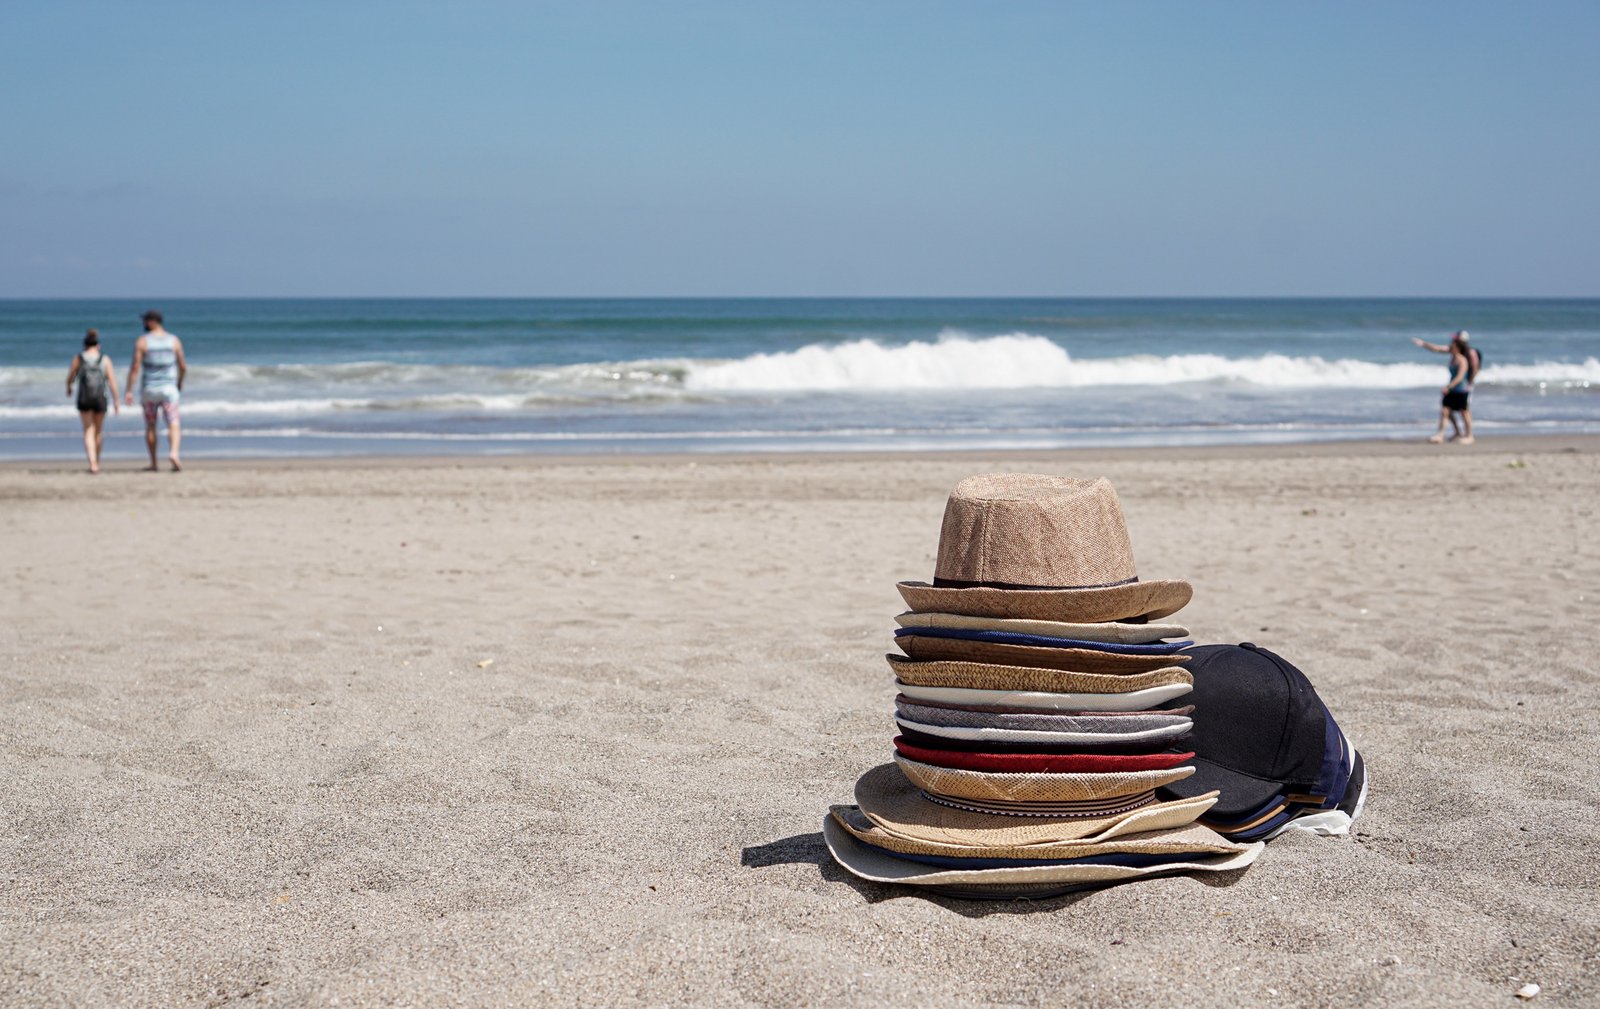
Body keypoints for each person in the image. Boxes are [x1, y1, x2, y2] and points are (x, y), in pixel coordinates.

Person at [124, 309, 188, 471]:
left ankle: (154, 463)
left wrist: (129, 390)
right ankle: (174, 453)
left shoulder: (143, 341)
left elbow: (135, 368)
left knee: (151, 425)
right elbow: (183, 366)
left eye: (145, 321)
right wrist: (179, 382)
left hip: (149, 389)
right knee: (173, 423)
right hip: (169, 389)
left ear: (152, 322)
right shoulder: (174, 341)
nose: (144, 324)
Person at [65, 329, 119, 473]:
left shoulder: (79, 358)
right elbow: (112, 382)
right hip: (100, 398)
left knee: (88, 430)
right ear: (98, 345)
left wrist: (68, 387)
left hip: (85, 397)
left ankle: (92, 463)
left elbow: (70, 376)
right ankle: (97, 461)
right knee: (98, 432)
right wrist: (116, 400)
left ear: (84, 345)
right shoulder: (105, 359)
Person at [1412, 330, 1480, 445]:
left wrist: (1452, 386)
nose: (1450, 344)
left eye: (1454, 342)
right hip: (1453, 388)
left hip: (1462, 388)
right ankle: (1444, 434)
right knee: (1445, 410)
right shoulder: (1453, 355)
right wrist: (1423, 344)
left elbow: (1462, 376)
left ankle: (1469, 435)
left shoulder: (1466, 357)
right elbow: (1437, 348)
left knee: (1464, 412)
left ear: (1459, 344)